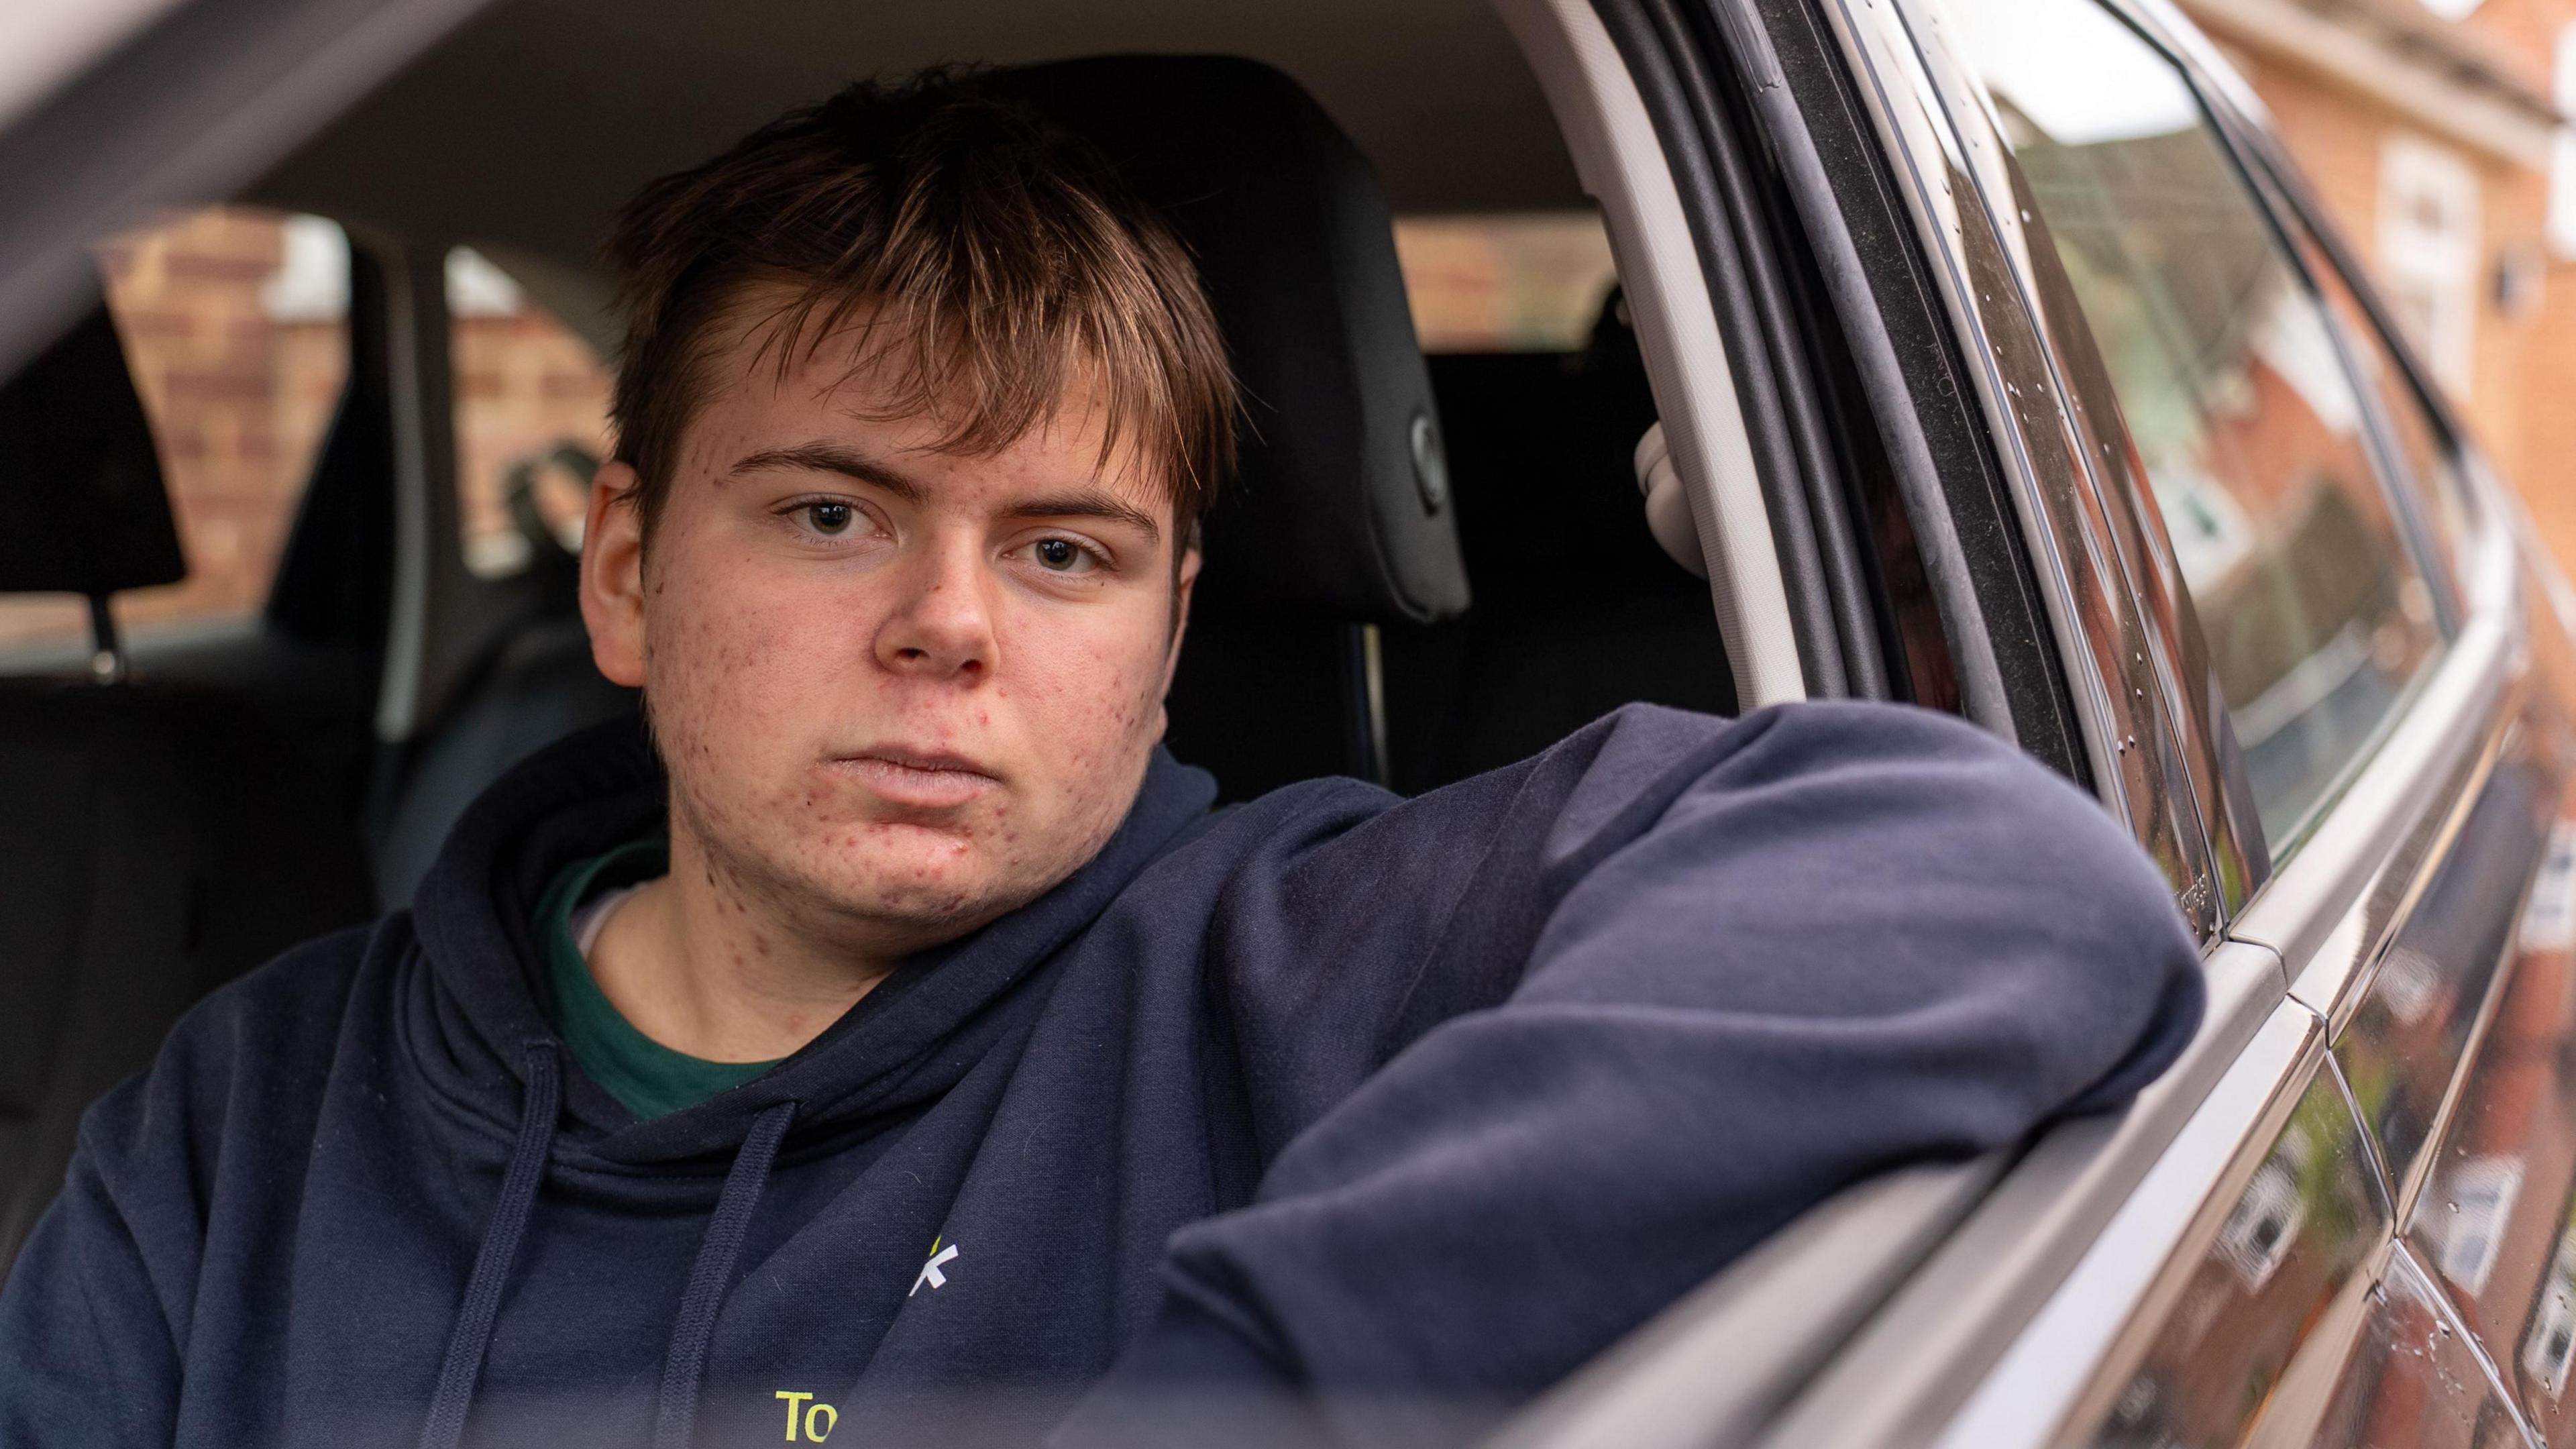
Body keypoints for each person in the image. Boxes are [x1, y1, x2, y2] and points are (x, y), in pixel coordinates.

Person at [0, 68, 2201, 1449]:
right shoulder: (253, 1117)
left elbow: (2003, 868)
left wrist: (1267, 1379)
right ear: (625, 571)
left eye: (1064, 549)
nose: (949, 622)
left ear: (1162, 645)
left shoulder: (1311, 963)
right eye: (836, 511)